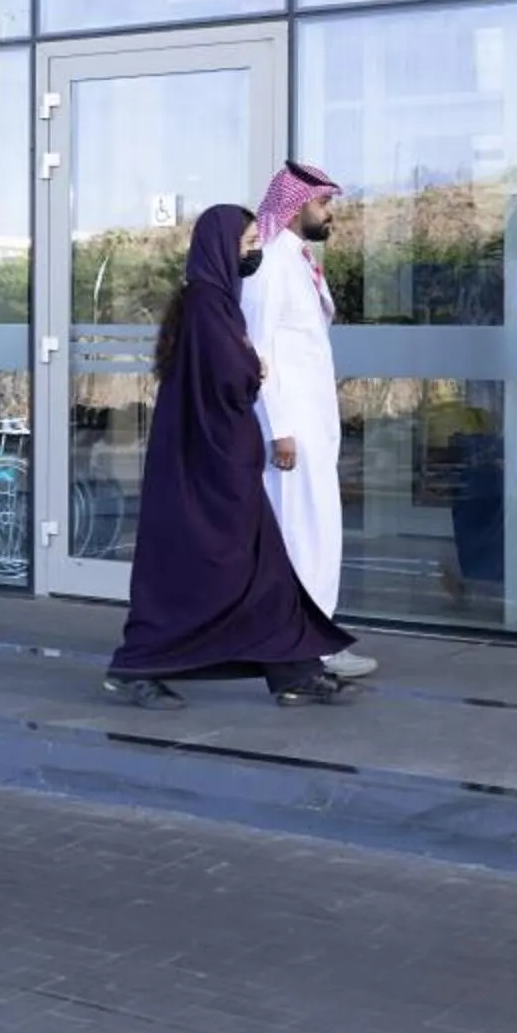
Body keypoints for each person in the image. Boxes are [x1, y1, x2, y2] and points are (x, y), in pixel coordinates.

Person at [104, 205, 355, 709]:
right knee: (203, 570)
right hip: (210, 469)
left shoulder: (213, 302)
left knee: (264, 567)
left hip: (222, 463)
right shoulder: (207, 306)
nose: (250, 252)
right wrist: (253, 365)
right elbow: (227, 374)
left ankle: (293, 669)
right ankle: (137, 666)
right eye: (242, 245)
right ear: (219, 248)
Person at [246, 161, 372, 679]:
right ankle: (306, 648)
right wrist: (278, 428)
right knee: (301, 534)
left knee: (318, 532)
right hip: (290, 429)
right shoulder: (272, 263)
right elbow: (259, 351)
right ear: (297, 206)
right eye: (323, 204)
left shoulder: (297, 259)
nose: (329, 214)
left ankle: (312, 640)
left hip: (312, 424)